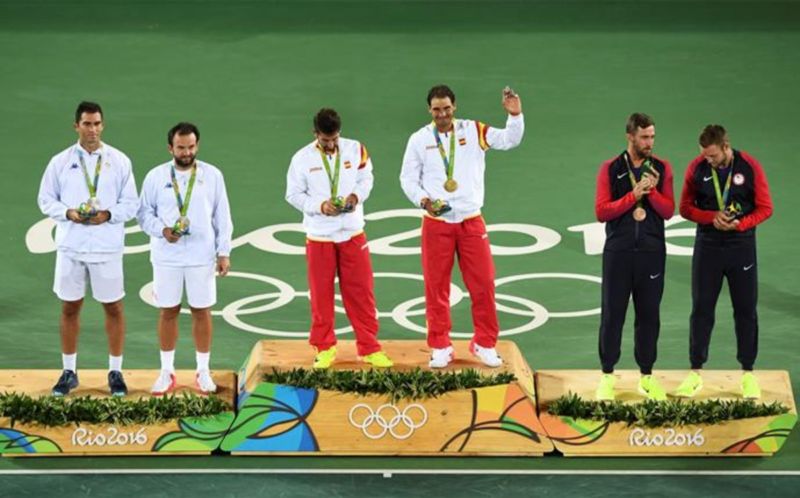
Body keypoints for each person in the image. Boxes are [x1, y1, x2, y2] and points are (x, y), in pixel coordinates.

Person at [400, 84, 524, 368]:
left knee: (483, 284)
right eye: (436, 109)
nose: (442, 114)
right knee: (436, 287)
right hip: (436, 222)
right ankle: (440, 345)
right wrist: (423, 200)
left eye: (446, 108)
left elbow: (509, 140)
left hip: (471, 220)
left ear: (454, 107)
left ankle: (484, 343)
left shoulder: (474, 131)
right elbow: (407, 178)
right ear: (429, 110)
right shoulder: (419, 139)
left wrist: (515, 116)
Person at [37, 101, 138, 397]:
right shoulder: (60, 161)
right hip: (71, 247)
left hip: (107, 247)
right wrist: (68, 213)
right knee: (70, 307)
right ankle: (69, 372)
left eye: (96, 124)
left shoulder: (119, 161)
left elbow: (131, 203)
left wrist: (108, 215)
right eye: (86, 124)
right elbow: (45, 200)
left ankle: (115, 372)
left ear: (102, 125)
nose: (92, 130)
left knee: (114, 308)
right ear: (76, 126)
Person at [286, 108, 393, 369]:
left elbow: (366, 178)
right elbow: (293, 195)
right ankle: (324, 348)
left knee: (362, 293)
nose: (331, 144)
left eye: (334, 139)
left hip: (352, 233)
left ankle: (369, 347)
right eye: (325, 140)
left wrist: (356, 197)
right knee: (321, 295)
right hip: (320, 235)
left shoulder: (356, 149)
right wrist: (319, 206)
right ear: (315, 135)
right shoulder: (301, 159)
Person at [676, 125, 773, 399]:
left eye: (714, 156)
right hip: (707, 246)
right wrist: (711, 218)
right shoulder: (697, 168)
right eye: (706, 156)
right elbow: (684, 208)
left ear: (726, 146)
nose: (709, 161)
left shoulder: (750, 166)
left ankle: (748, 374)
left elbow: (766, 208)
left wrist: (742, 224)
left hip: (740, 246)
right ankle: (695, 373)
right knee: (701, 310)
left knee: (745, 310)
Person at [137, 122, 233, 395]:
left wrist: (223, 252)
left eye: (191, 146)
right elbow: (143, 214)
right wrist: (162, 231)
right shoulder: (155, 177)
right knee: (168, 311)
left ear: (197, 146)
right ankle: (166, 372)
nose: (187, 152)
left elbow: (222, 216)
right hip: (166, 256)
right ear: (170, 148)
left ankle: (203, 371)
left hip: (202, 256)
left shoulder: (212, 175)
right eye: (181, 147)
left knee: (202, 311)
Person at [593, 113, 675, 401]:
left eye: (652, 136)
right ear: (630, 136)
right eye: (644, 137)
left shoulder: (662, 169)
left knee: (649, 317)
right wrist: (633, 195)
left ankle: (647, 376)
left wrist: (650, 194)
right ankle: (606, 376)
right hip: (618, 254)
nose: (649, 142)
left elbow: (668, 211)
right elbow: (602, 212)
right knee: (613, 316)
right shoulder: (611, 169)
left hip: (652, 254)